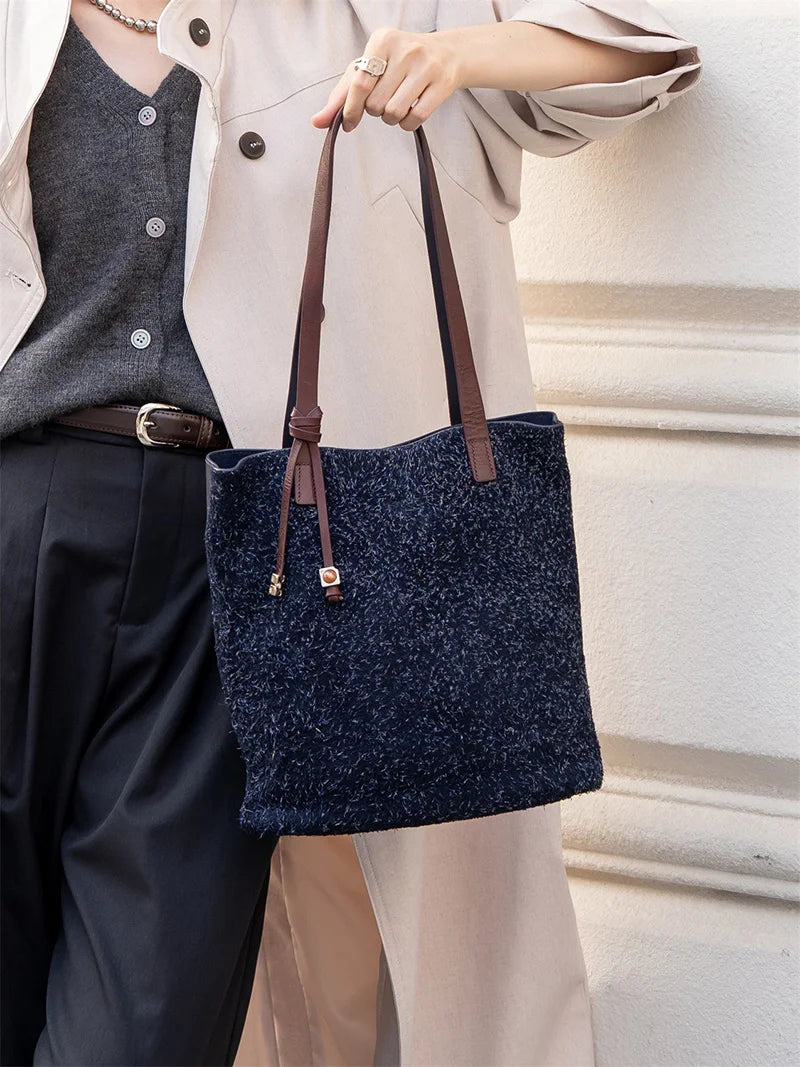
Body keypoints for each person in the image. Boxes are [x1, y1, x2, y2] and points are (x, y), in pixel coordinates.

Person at [0, 1, 703, 1064]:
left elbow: (634, 59)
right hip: (22, 509)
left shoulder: (359, 13)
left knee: (144, 1020)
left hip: (239, 558)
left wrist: (456, 55)